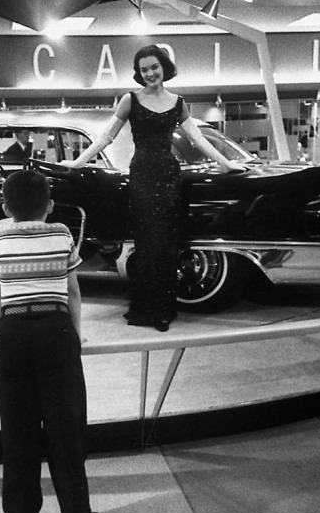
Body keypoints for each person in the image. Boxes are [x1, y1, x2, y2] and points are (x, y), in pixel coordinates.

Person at [62, 44, 241, 332]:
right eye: (144, 70)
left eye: (154, 67)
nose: (150, 74)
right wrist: (77, 163)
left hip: (169, 176)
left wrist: (226, 162)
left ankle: (164, 309)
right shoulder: (130, 100)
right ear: (139, 73)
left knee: (167, 245)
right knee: (147, 244)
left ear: (164, 67)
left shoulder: (179, 102)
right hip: (142, 175)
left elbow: (197, 140)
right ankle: (144, 309)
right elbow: (106, 137)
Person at [0, 169, 104, 513]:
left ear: (5, 208)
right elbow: (72, 291)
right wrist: (76, 334)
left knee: (17, 433)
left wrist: (1, 335)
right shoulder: (62, 235)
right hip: (56, 332)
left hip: (14, 335)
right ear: (50, 206)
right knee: (66, 431)